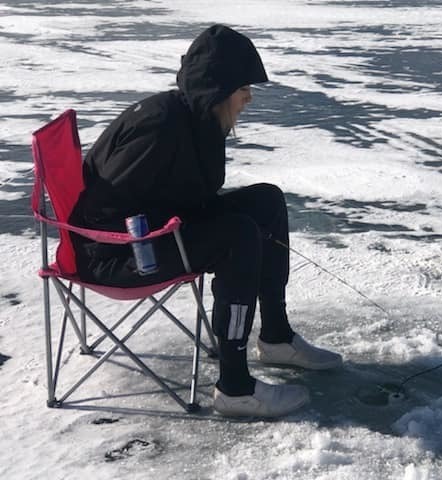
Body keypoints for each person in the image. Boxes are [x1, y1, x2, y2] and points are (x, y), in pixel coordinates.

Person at [69, 24, 342, 417]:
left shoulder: (199, 118)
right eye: (242, 86)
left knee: (266, 202)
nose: (249, 96)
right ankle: (235, 388)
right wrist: (173, 231)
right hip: (114, 254)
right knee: (238, 237)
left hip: (157, 231)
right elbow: (103, 209)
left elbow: (181, 193)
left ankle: (277, 338)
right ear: (217, 88)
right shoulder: (159, 128)